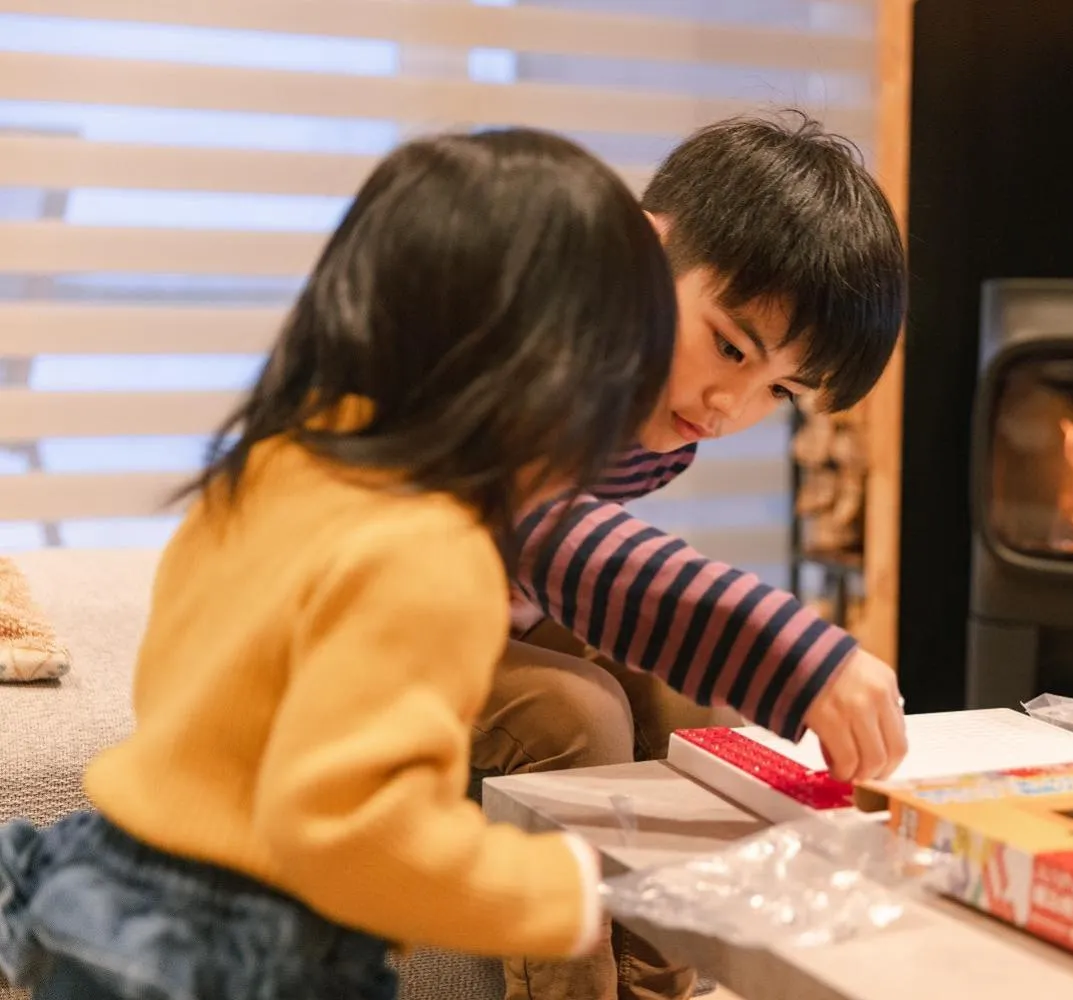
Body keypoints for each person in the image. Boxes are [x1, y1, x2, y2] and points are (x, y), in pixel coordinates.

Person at [0, 128, 680, 1000]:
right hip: (247, 953)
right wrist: (555, 891)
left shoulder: (274, 463)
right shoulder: (433, 551)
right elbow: (350, 835)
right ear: (549, 374)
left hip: (97, 881)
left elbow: (186, 684)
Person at [478, 113, 911, 1000]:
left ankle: (665, 982)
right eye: (727, 346)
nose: (728, 406)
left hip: (468, 600)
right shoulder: (535, 339)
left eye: (778, 391)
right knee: (576, 715)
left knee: (687, 704)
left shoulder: (657, 409)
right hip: (341, 621)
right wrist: (796, 652)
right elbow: (548, 531)